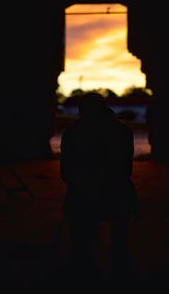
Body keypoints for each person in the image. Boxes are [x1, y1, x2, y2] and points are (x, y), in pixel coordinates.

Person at [60, 92, 140, 264]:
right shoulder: (122, 131)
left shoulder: (73, 132)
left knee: (82, 241)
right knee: (120, 240)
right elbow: (126, 168)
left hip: (82, 193)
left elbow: (66, 171)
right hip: (117, 192)